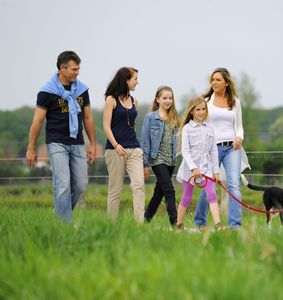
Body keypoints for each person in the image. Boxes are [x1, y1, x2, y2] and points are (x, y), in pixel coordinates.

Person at [25, 50, 96, 222]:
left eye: (78, 69)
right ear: (62, 68)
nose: (77, 72)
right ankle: (64, 225)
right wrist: (31, 148)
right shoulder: (47, 92)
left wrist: (92, 144)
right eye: (74, 69)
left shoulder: (81, 90)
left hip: (78, 142)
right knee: (63, 183)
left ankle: (61, 214)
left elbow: (87, 117)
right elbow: (38, 121)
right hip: (56, 143)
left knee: (80, 185)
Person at [194, 67, 250, 229]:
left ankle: (235, 226)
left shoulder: (235, 102)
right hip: (211, 149)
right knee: (208, 185)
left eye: (218, 80)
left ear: (226, 83)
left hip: (232, 148)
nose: (214, 82)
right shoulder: (206, 102)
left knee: (234, 185)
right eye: (212, 79)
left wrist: (239, 136)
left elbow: (239, 126)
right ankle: (200, 223)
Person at [175, 96, 224, 231]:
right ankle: (179, 224)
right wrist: (194, 168)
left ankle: (218, 225)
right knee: (187, 197)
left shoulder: (210, 128)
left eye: (203, 109)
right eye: (198, 110)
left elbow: (213, 151)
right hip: (190, 170)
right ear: (192, 111)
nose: (201, 112)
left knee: (212, 194)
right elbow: (185, 151)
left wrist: (216, 171)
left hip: (206, 168)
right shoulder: (187, 129)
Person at [103, 67, 145, 222]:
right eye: (135, 79)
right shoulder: (111, 100)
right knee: (115, 190)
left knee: (139, 186)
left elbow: (131, 125)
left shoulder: (135, 101)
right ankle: (111, 224)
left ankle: (140, 224)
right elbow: (106, 126)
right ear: (126, 80)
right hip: (115, 151)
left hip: (134, 149)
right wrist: (115, 145)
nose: (137, 82)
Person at [141, 86, 180, 227]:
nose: (168, 101)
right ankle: (175, 224)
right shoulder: (150, 118)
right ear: (157, 99)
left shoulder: (175, 118)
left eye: (170, 98)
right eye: (164, 98)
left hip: (171, 160)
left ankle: (145, 221)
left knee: (159, 193)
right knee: (169, 189)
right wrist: (145, 164)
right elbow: (145, 142)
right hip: (157, 159)